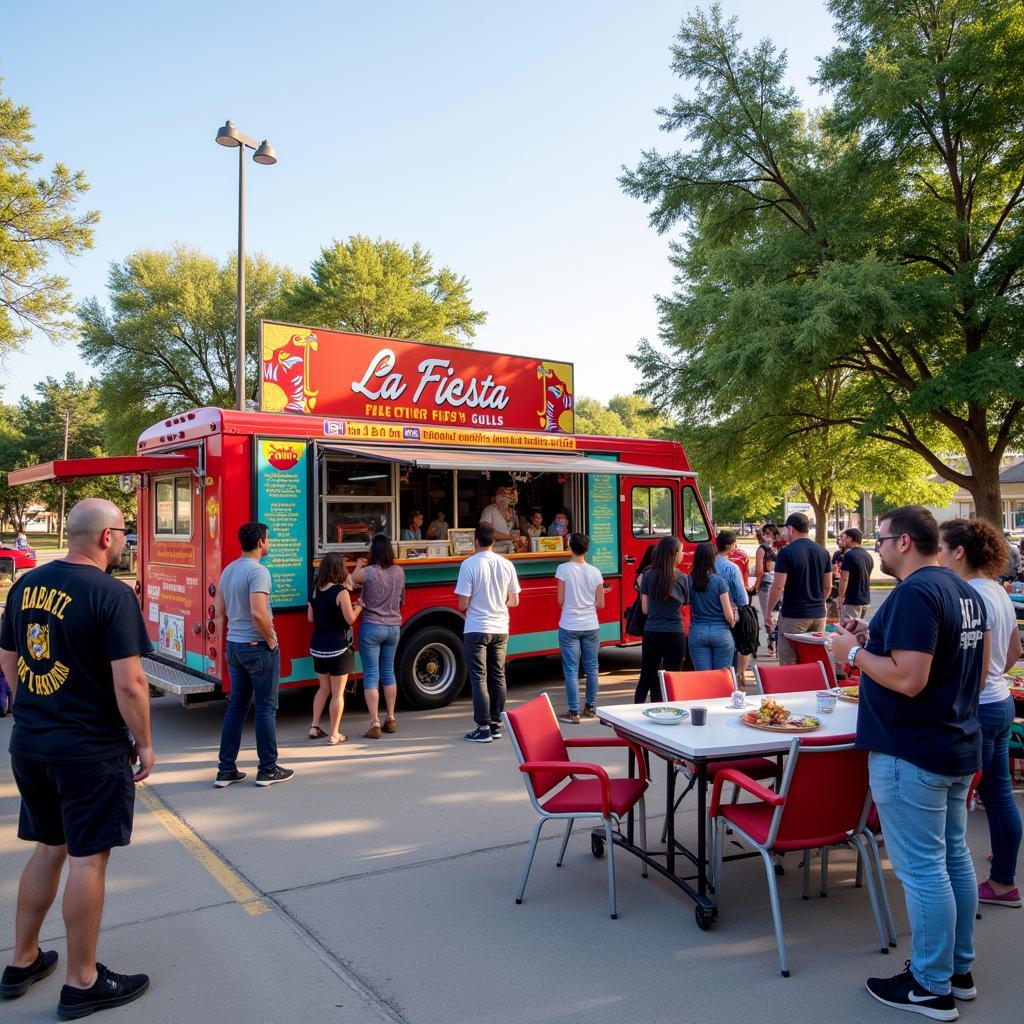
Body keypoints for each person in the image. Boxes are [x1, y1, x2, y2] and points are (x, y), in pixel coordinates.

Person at [830, 506, 988, 1019]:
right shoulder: (965, 592)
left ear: (903, 542)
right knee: (953, 860)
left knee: (923, 871)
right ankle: (956, 970)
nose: (875, 548)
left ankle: (929, 983)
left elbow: (910, 678)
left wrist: (850, 655)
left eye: (879, 539)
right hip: (955, 741)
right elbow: (972, 667)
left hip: (911, 750)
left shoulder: (915, 593)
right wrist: (869, 639)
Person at [0, 498, 152, 1017]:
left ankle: (21, 962)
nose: (128, 540)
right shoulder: (111, 594)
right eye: (125, 532)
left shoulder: (25, 585)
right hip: (88, 750)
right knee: (88, 858)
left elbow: (7, 656)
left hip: (32, 743)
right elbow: (130, 684)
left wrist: (30, 705)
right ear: (106, 537)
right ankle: (82, 981)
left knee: (48, 847)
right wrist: (146, 743)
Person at [937, 518, 1022, 908]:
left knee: (970, 797)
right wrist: (993, 675)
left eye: (940, 547)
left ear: (959, 552)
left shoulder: (969, 594)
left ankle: (1002, 881)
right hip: (1000, 701)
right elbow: (1014, 652)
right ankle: (1003, 866)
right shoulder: (998, 591)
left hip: (980, 707)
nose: (936, 554)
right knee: (998, 793)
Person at [215, 522, 292, 788]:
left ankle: (226, 770)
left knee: (236, 708)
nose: (268, 543)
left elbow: (219, 609)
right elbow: (259, 612)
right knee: (266, 708)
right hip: (257, 646)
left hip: (234, 646)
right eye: (268, 538)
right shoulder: (259, 572)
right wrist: (270, 638)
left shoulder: (229, 570)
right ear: (261, 542)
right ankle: (268, 769)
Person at [455, 522, 521, 742]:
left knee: (479, 679)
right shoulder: (506, 564)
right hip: (501, 627)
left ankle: (482, 728)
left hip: (476, 628)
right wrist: (497, 600)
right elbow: (514, 600)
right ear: (494, 541)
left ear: (476, 541)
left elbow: (463, 603)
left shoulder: (468, 565)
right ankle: (495, 724)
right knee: (498, 675)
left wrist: (477, 599)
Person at [349, 534, 405, 739]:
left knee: (372, 675)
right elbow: (401, 600)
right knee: (388, 672)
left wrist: (357, 564)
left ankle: (374, 723)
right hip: (393, 627)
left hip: (372, 627)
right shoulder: (399, 571)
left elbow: (350, 580)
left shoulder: (368, 572)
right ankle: (390, 718)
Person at [307, 552, 362, 745]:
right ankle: (334, 733)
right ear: (339, 569)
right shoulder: (341, 592)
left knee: (323, 689)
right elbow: (350, 619)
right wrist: (359, 607)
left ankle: (314, 726)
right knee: (337, 693)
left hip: (318, 647)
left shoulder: (315, 590)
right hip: (338, 648)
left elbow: (310, 618)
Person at [765, 513, 831, 666]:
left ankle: (793, 689)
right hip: (818, 615)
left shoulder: (786, 553)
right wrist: (819, 601)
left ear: (790, 529)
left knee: (789, 662)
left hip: (794, 616)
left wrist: (769, 611)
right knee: (815, 661)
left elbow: (779, 586)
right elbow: (827, 586)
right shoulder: (823, 552)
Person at [556, 533, 605, 723]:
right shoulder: (595, 572)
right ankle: (591, 707)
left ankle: (574, 711)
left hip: (569, 624)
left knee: (571, 669)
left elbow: (560, 600)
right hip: (591, 625)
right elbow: (600, 604)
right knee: (592, 667)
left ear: (570, 546)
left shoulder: (563, 569)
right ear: (587, 548)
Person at [635, 536, 690, 701]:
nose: (684, 554)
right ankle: (669, 711)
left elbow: (644, 609)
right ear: (674, 555)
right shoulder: (682, 578)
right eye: (681, 551)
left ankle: (635, 711)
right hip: (675, 633)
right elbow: (685, 604)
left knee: (647, 675)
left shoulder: (648, 576)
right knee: (672, 678)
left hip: (652, 631)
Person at [688, 540, 736, 671]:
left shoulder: (689, 579)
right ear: (713, 557)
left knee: (703, 678)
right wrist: (732, 621)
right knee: (721, 677)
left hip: (697, 631)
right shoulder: (719, 580)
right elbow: (728, 614)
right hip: (720, 631)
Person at [714, 530, 752, 680]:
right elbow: (742, 599)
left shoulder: (707, 565)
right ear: (730, 546)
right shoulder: (731, 568)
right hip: (728, 617)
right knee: (728, 666)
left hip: (704, 619)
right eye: (735, 544)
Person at [836, 527, 873, 621]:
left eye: (843, 538)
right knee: (857, 632)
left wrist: (840, 598)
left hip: (852, 600)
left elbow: (844, 579)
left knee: (847, 631)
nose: (842, 540)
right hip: (865, 599)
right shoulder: (867, 555)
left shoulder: (849, 555)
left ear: (850, 538)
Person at [753, 525, 778, 655]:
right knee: (775, 614)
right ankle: (774, 641)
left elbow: (759, 571)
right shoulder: (776, 549)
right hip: (778, 583)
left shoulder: (761, 549)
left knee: (767, 613)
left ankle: (773, 642)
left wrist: (756, 585)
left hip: (767, 583)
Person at [827, 533, 846, 618]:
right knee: (833, 615)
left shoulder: (849, 555)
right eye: (839, 539)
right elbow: (833, 565)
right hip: (835, 583)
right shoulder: (837, 554)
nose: (840, 541)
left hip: (843, 584)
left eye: (842, 539)